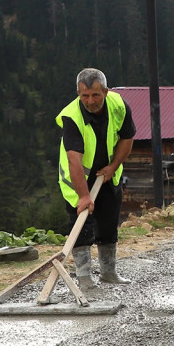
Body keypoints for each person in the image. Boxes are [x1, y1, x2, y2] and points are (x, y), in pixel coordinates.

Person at [57, 68, 136, 290]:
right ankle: (84, 277)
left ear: (106, 92)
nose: (90, 101)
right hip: (78, 179)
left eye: (95, 95)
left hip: (107, 175)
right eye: (85, 96)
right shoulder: (71, 117)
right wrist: (83, 195)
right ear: (78, 94)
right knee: (81, 225)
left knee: (109, 223)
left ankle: (109, 273)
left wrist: (113, 167)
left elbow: (127, 137)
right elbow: (74, 160)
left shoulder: (118, 105)